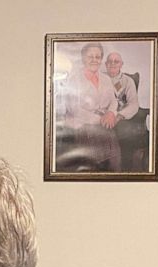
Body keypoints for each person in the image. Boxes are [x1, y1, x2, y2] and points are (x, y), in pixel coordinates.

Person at [55, 43, 121, 172]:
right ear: (83, 58)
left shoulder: (106, 79)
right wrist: (101, 120)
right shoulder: (74, 78)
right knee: (96, 156)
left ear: (101, 59)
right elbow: (75, 109)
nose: (94, 60)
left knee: (114, 157)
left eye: (97, 57)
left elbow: (114, 100)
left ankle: (114, 175)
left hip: (104, 124)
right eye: (90, 56)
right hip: (82, 126)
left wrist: (111, 113)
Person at [104, 52, 149, 172]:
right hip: (103, 116)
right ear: (105, 64)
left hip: (121, 117)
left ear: (121, 64)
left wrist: (119, 116)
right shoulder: (100, 78)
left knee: (125, 134)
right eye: (110, 61)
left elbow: (134, 104)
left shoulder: (127, 81)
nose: (113, 64)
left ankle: (125, 171)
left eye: (116, 61)